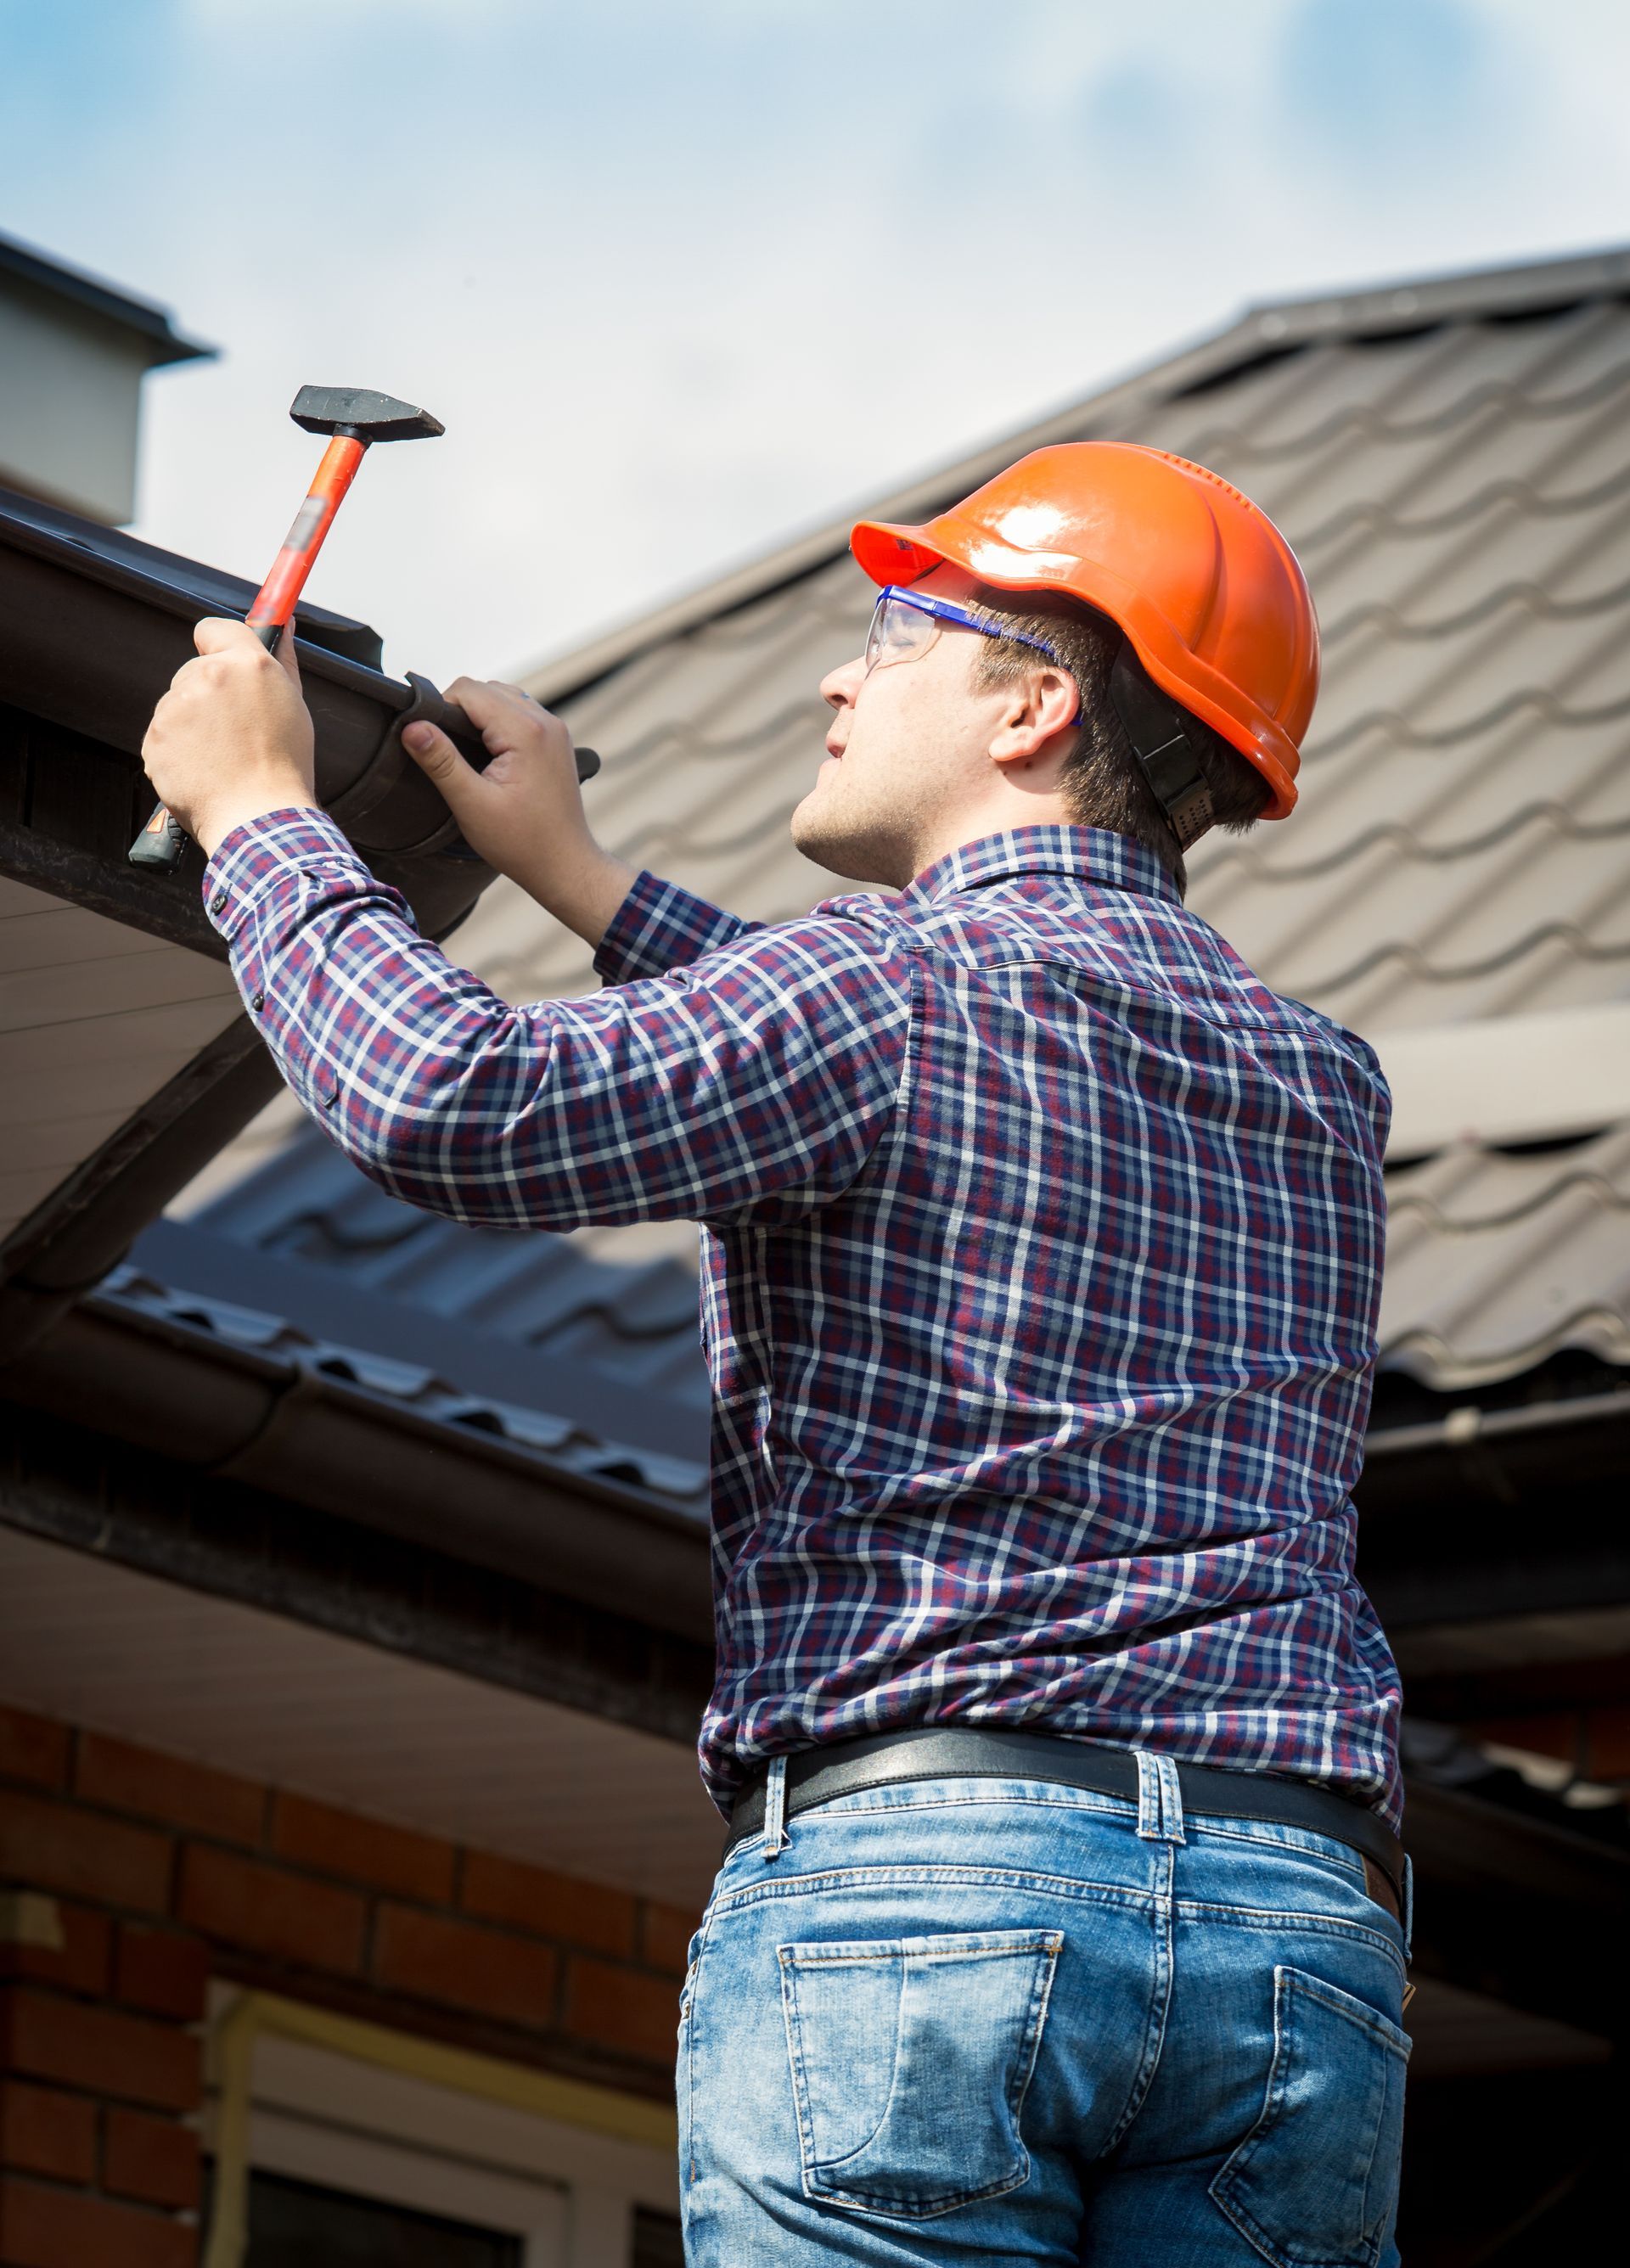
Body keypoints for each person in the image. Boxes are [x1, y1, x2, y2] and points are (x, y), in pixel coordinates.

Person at [142, 442, 1409, 2267]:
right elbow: (936, 1105)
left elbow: (448, 1101)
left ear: (1037, 703)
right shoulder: (1315, 1085)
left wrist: (260, 815)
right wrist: (583, 881)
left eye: (900, 632)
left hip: (932, 1898)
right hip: (1295, 1928)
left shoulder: (886, 988)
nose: (839, 671)